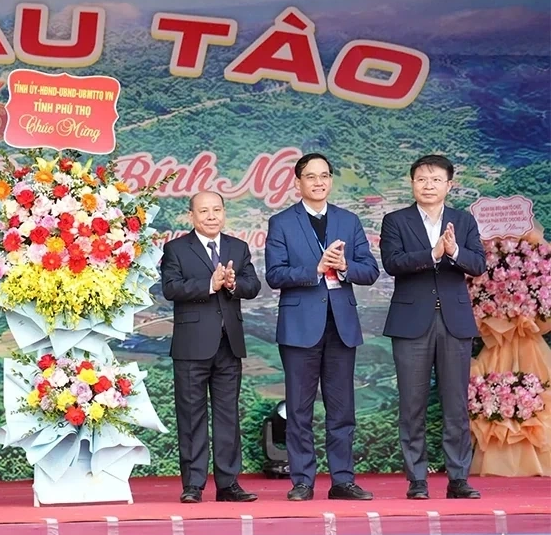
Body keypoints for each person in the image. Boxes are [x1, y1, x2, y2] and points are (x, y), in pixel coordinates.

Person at [265, 153, 380, 502]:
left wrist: (345, 266)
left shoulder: (348, 220)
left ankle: (342, 480)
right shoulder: (282, 223)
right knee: (299, 410)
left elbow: (370, 270)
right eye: (311, 176)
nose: (319, 182)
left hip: (341, 326)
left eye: (325, 175)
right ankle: (302, 481)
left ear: (331, 180)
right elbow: (275, 275)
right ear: (297, 182)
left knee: (342, 409)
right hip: (300, 327)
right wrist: (314, 270)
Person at [380, 154, 486, 500]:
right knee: (412, 405)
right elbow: (393, 263)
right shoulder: (395, 220)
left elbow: (478, 264)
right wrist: (432, 253)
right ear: (412, 183)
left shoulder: (463, 220)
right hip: (411, 323)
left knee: (455, 404)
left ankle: (458, 478)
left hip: (454, 322)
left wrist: (453, 251)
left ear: (449, 185)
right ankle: (417, 480)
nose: (429, 185)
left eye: (436, 179)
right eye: (422, 179)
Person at [161, 190, 262, 504]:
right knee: (191, 417)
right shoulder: (176, 248)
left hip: (229, 344)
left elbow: (253, 285)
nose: (211, 216)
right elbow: (170, 288)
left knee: (228, 416)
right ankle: (193, 485)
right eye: (204, 211)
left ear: (224, 212)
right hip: (191, 346)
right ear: (191, 216)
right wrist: (210, 285)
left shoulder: (238, 247)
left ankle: (228, 484)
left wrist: (233, 284)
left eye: (216, 210)